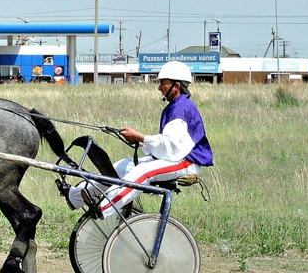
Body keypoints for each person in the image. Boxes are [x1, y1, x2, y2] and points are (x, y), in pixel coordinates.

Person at [62, 61, 213, 219]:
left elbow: (170, 147)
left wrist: (140, 136)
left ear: (176, 86)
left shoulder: (181, 108)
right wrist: (141, 142)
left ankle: (103, 207)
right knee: (121, 167)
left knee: (144, 172)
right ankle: (75, 197)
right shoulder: (175, 106)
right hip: (176, 157)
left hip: (187, 162)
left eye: (163, 83)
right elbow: (166, 146)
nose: (159, 87)